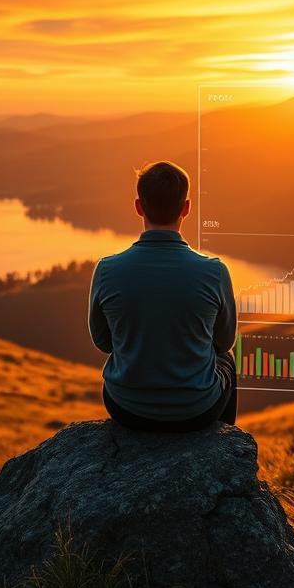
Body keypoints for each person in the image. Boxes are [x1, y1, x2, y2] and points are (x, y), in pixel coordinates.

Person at [88, 160, 238, 431]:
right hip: (197, 410)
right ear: (186, 208)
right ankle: (224, 443)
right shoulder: (215, 271)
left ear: (138, 207)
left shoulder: (107, 269)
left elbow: (103, 343)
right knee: (227, 358)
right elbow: (224, 342)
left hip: (126, 408)